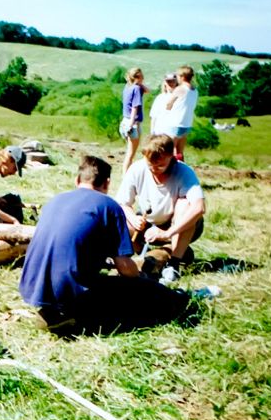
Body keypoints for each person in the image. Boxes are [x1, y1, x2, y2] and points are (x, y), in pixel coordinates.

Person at [19, 155, 190, 335]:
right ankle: (179, 301)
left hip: (32, 288)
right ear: (107, 183)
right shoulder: (108, 206)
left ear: (77, 179)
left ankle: (54, 312)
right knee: (142, 289)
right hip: (71, 293)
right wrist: (141, 277)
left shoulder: (55, 200)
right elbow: (124, 267)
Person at [115, 134, 205, 283]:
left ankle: (174, 263)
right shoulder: (137, 169)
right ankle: (149, 254)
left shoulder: (184, 172)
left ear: (171, 157)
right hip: (149, 223)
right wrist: (133, 218)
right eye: (150, 165)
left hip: (176, 225)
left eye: (160, 165)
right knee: (121, 220)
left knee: (185, 205)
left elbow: (199, 208)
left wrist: (167, 233)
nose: (154, 169)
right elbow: (122, 203)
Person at [160, 65, 199, 162]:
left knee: (168, 151)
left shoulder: (180, 89)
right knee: (180, 153)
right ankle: (182, 171)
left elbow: (168, 104)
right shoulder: (195, 91)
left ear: (182, 76)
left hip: (176, 123)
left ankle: (170, 172)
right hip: (187, 124)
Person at [119, 67, 149, 174]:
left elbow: (147, 90)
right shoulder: (136, 89)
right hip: (132, 123)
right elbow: (135, 107)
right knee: (130, 155)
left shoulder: (127, 87)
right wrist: (131, 125)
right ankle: (125, 178)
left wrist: (139, 83)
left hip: (124, 121)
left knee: (129, 152)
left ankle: (127, 175)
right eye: (142, 76)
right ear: (138, 77)